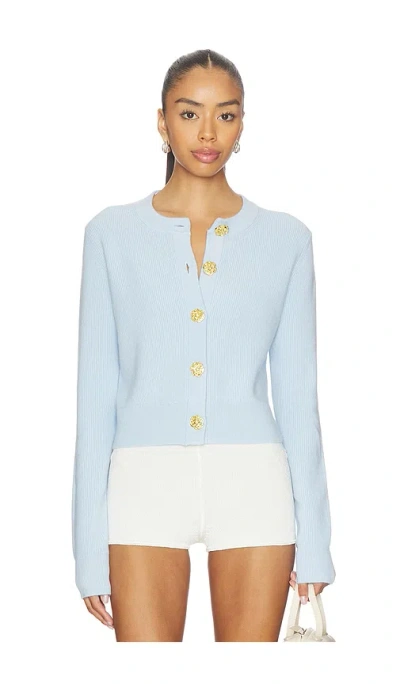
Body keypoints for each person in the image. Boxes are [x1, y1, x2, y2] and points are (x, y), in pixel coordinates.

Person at [71, 48, 336, 642]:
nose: (208, 133)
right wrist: (88, 547)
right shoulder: (110, 235)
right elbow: (95, 399)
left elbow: (299, 400)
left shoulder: (286, 240)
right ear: (162, 122)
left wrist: (316, 540)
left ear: (243, 125)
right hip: (142, 481)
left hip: (254, 481)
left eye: (226, 114)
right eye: (189, 114)